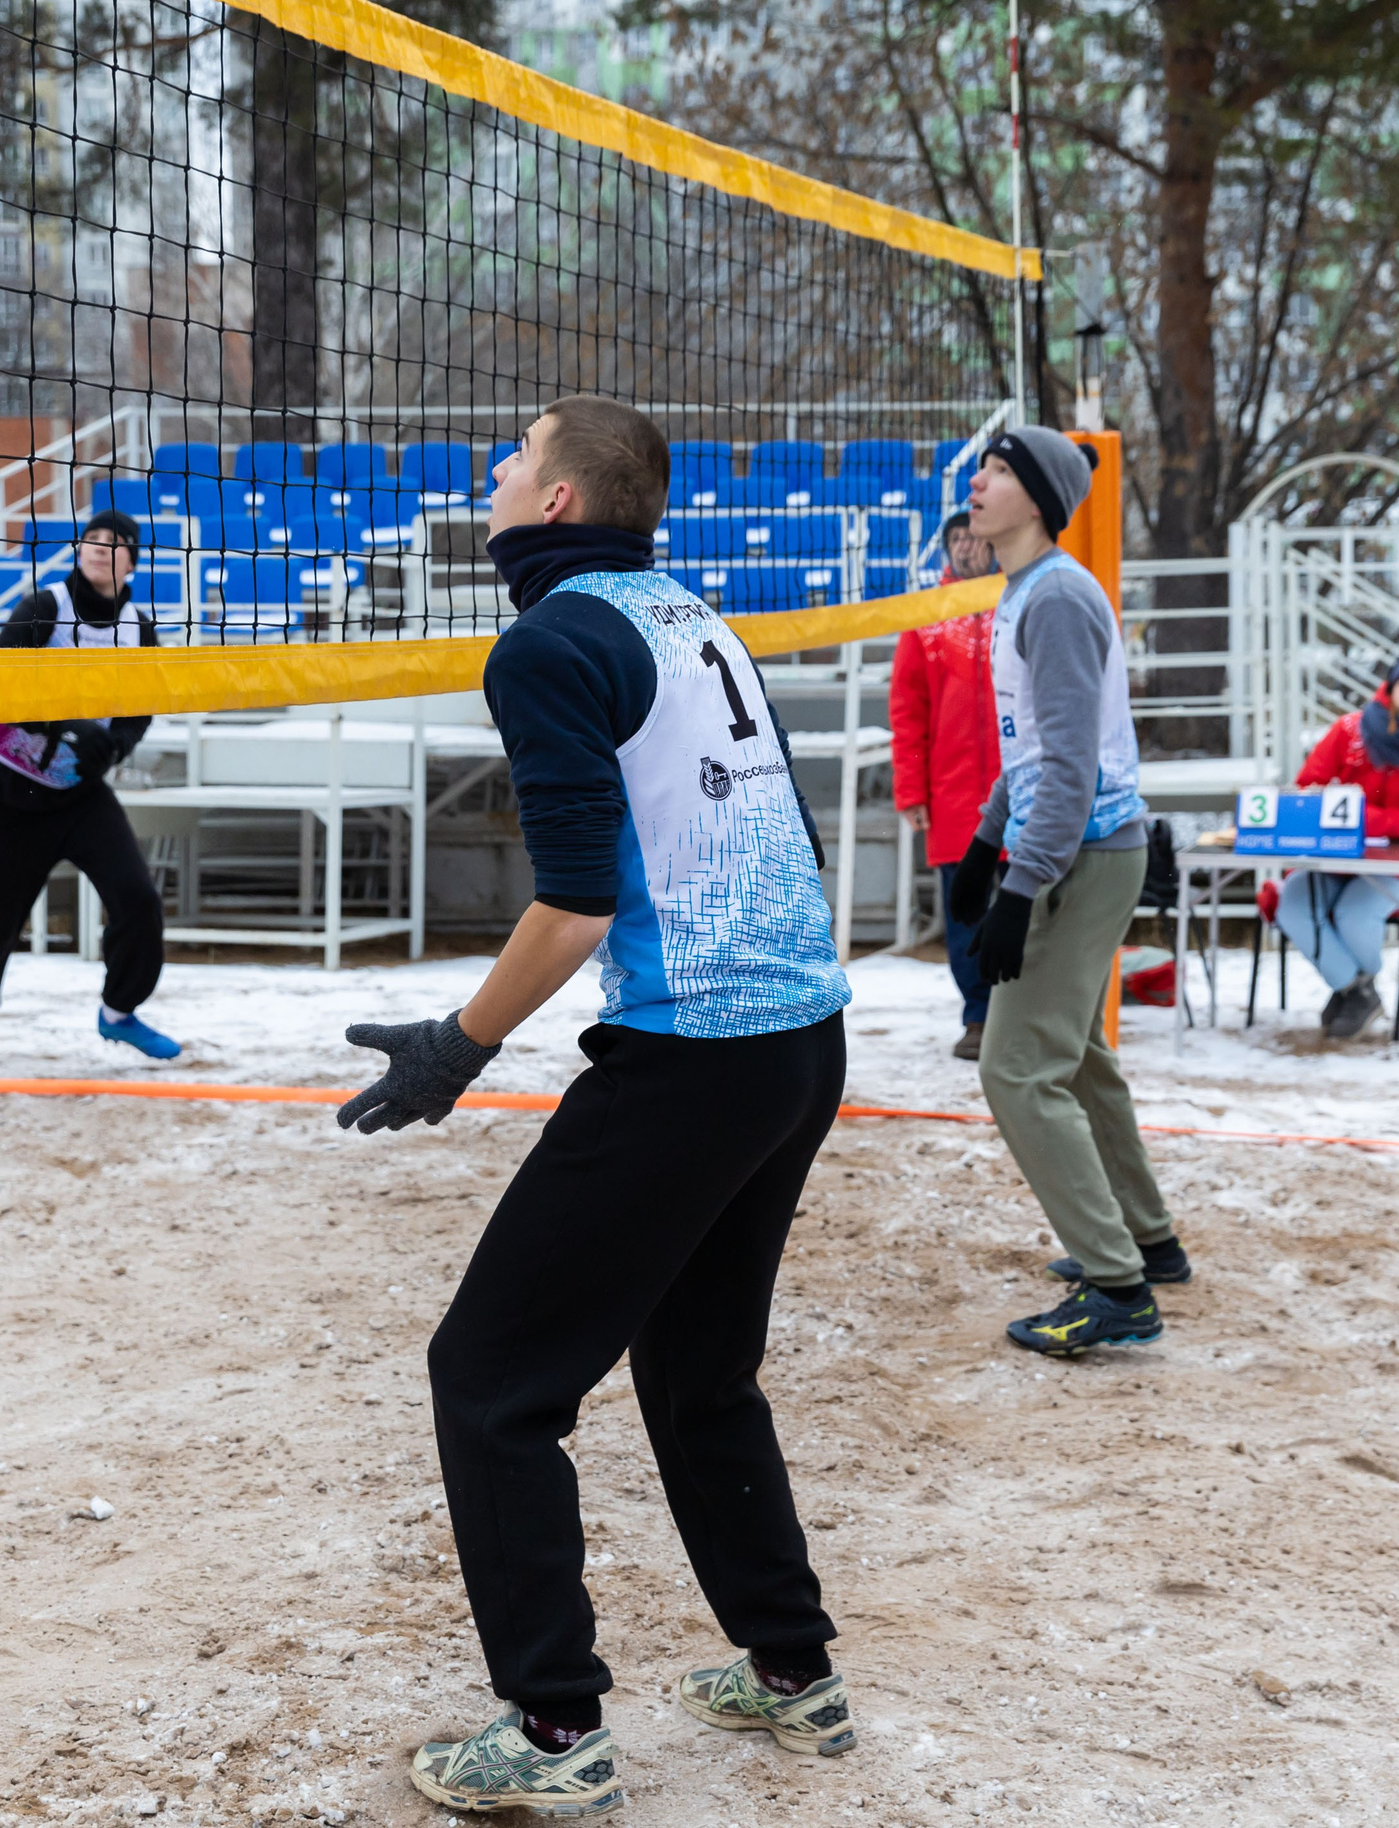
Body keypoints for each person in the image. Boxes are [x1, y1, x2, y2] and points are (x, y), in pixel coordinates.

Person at [339, 397, 855, 1819]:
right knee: (700, 1374)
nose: (495, 472)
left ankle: (555, 1734)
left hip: (697, 1055)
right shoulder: (683, 609)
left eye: (515, 456)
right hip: (799, 1041)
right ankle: (795, 1673)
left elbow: (575, 906)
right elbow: (783, 832)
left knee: (491, 1382)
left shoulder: (553, 639)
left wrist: (457, 1045)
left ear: (557, 502)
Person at [943, 427, 1187, 1357]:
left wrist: (1021, 886)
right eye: (982, 468)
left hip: (1085, 854)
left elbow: (1074, 764)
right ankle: (1147, 1242)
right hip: (1076, 847)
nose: (979, 481)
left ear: (1039, 499)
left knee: (1014, 1069)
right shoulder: (1026, 592)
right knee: (1077, 1056)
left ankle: (1117, 1289)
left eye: (999, 471)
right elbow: (1036, 749)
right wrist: (985, 844)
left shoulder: (1056, 600)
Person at [0, 510, 181, 1067]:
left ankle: (119, 1012)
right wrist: (61, 723)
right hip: (8, 787)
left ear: (131, 562)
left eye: (114, 543)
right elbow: (0, 681)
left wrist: (114, 746)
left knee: (138, 900)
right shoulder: (45, 606)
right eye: (91, 539)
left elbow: (140, 708)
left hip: (77, 790)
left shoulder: (139, 627)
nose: (99, 548)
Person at [1272, 647, 1399, 1040]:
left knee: (1354, 915)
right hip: (1330, 856)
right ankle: (1356, 990)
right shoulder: (1348, 730)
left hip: (1395, 864)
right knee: (1291, 906)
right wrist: (1336, 811)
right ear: (1391, 686)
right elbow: (1309, 786)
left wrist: (1366, 817)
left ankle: (1351, 990)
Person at [891, 509, 1003, 1058]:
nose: (965, 547)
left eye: (974, 537)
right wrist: (911, 791)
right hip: (955, 797)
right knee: (965, 915)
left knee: (1033, 909)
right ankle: (979, 1017)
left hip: (1020, 796)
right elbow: (907, 710)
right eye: (956, 539)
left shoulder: (1019, 600)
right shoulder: (928, 615)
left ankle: (1026, 1015)